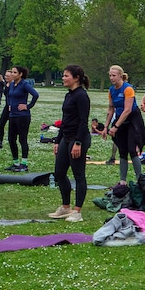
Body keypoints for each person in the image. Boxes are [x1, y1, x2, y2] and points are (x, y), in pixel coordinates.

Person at [48, 64, 92, 223]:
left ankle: (77, 211)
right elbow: (65, 121)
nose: (63, 78)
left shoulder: (81, 96)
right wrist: (58, 141)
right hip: (66, 138)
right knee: (59, 173)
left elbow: (83, 121)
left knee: (78, 174)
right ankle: (65, 207)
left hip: (78, 138)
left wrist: (78, 143)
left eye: (66, 76)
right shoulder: (69, 95)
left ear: (76, 78)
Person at [105, 66, 145, 184]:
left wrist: (115, 127)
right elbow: (111, 108)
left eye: (114, 75)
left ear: (120, 76)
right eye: (110, 75)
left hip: (132, 120)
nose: (111, 78)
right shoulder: (111, 90)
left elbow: (127, 110)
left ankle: (140, 179)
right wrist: (106, 127)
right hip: (120, 119)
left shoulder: (128, 89)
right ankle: (122, 181)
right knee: (122, 150)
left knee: (132, 149)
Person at [4, 65, 38, 171]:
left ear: (20, 74)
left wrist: (27, 106)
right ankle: (15, 163)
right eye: (12, 72)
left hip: (23, 116)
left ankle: (24, 164)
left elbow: (35, 95)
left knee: (22, 139)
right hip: (12, 115)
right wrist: (9, 104)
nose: (12, 74)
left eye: (14, 73)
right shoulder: (12, 84)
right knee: (11, 139)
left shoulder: (24, 84)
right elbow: (8, 95)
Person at [0, 69, 11, 149]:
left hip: (13, 108)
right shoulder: (6, 84)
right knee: (1, 124)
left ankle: (13, 141)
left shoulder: (15, 85)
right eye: (5, 75)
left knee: (13, 127)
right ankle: (0, 142)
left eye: (8, 76)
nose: (6, 77)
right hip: (7, 107)